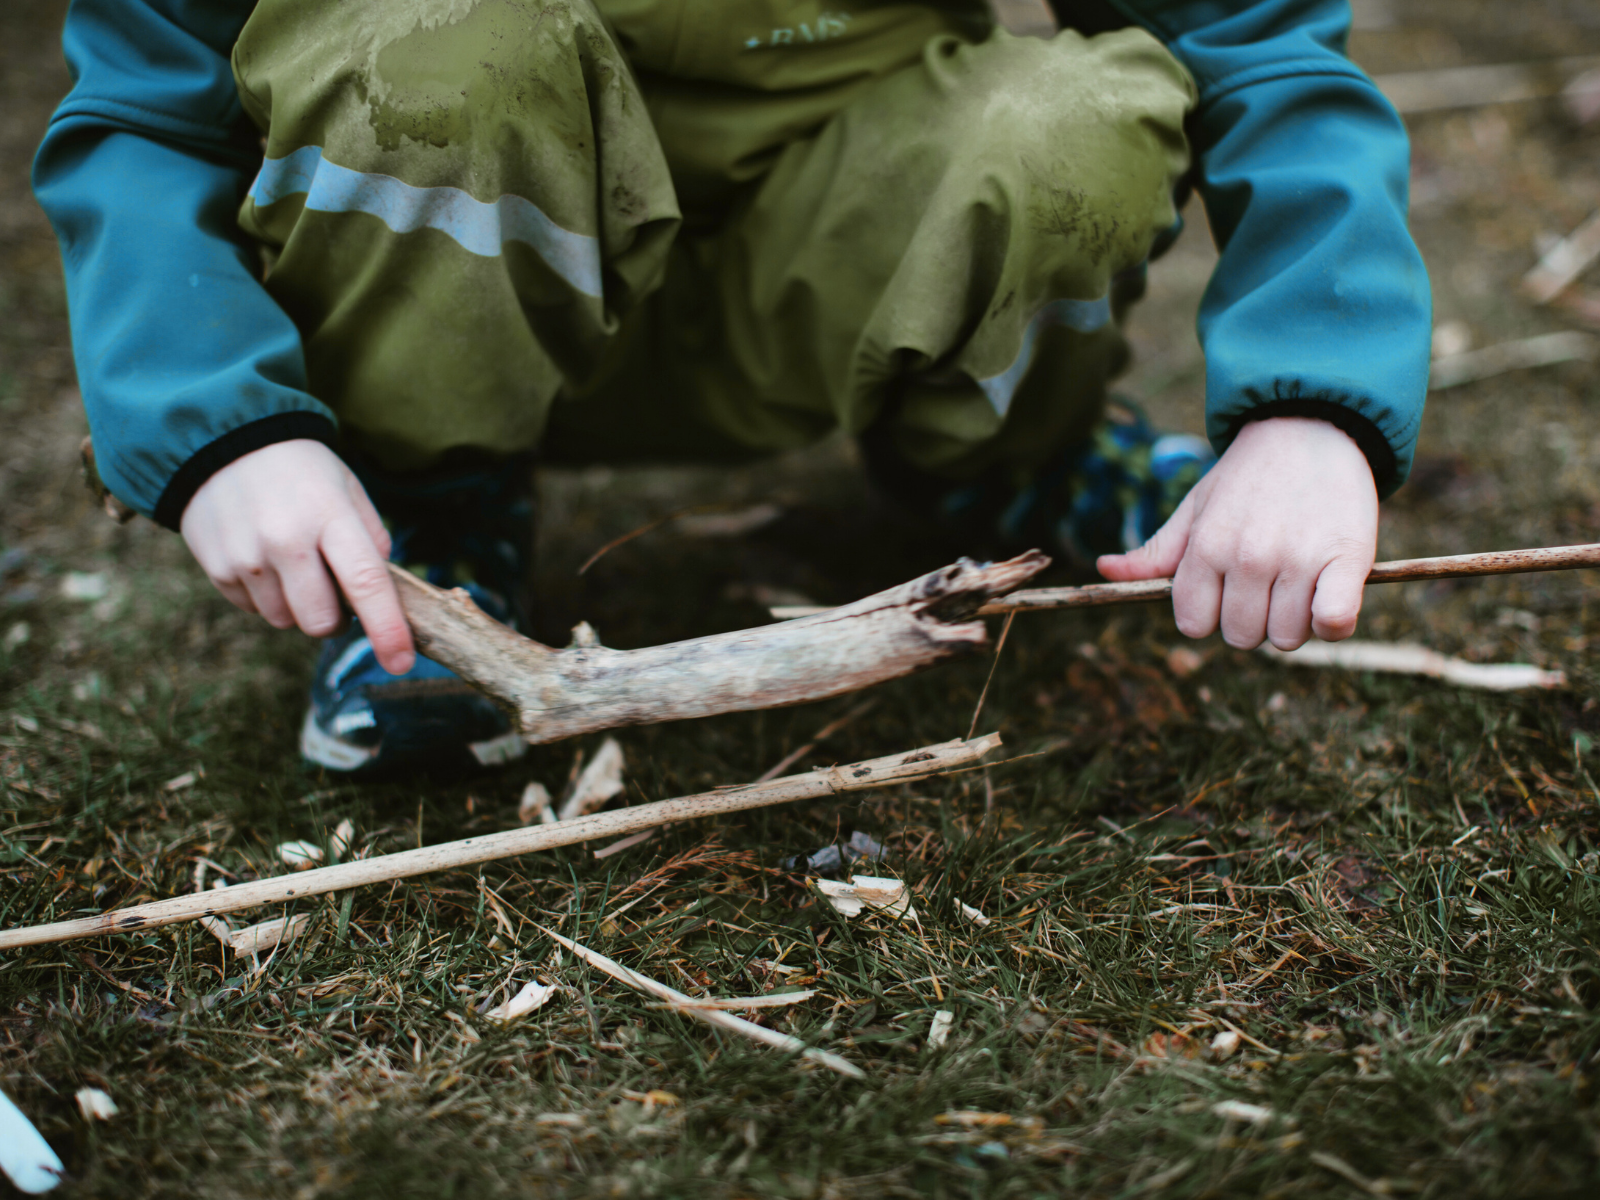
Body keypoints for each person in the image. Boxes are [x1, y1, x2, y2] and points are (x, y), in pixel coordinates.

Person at [33, 0, 1430, 772]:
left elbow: (1262, 46)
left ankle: (1010, 455)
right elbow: (151, 106)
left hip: (844, 280)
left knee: (1064, 125)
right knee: (430, 49)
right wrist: (223, 428)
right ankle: (431, 523)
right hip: (454, 288)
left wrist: (1314, 402)